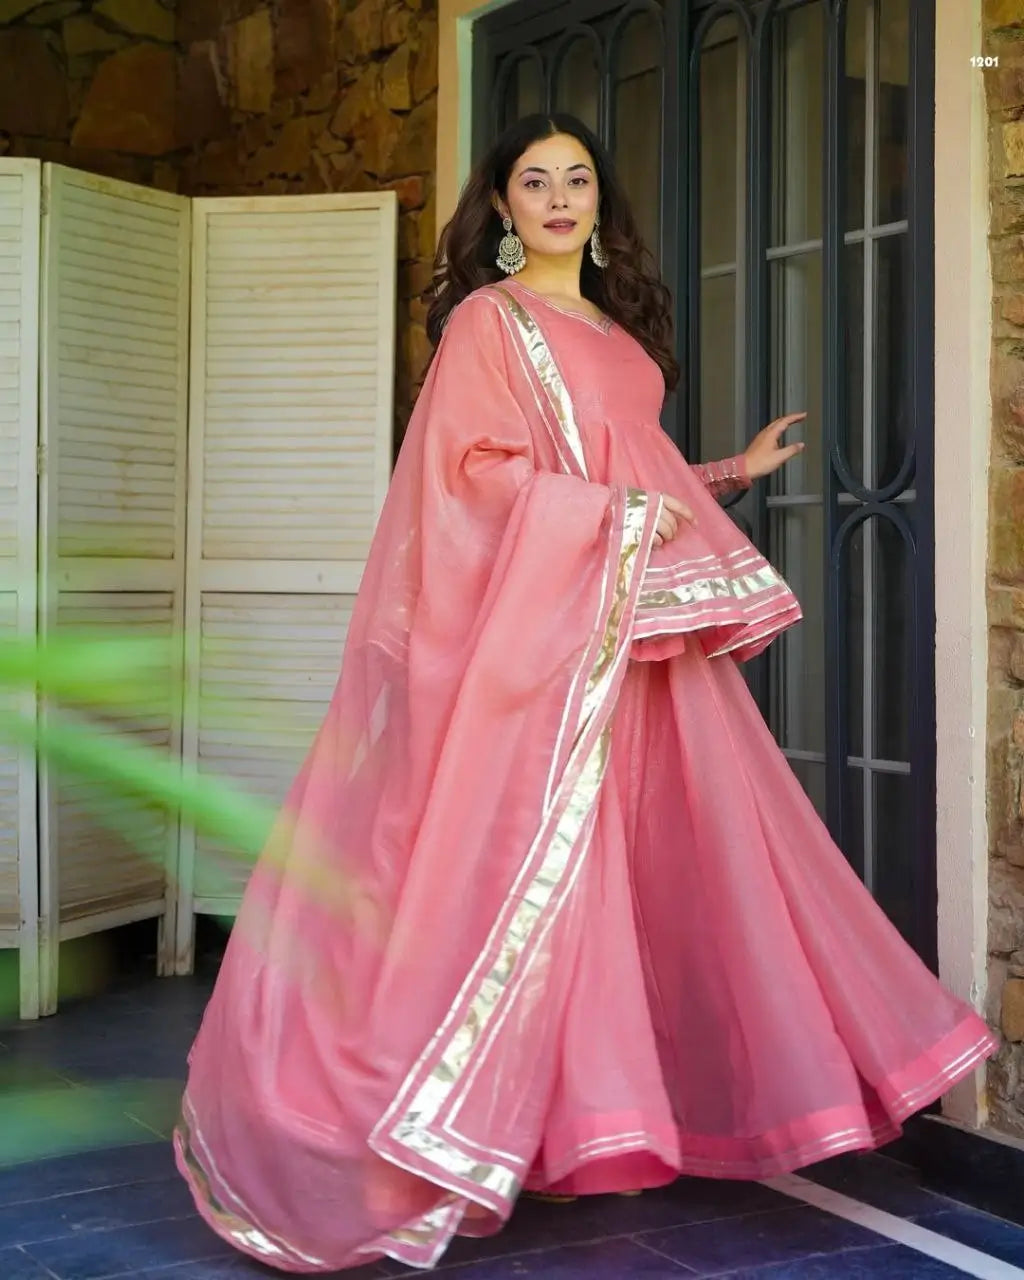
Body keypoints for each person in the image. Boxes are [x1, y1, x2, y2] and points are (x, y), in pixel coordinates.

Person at [175, 114, 997, 1274]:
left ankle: (573, 1123)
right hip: (543, 648)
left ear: (600, 202)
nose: (559, 197)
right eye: (534, 181)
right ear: (502, 206)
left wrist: (729, 471)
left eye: (577, 179)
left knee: (616, 883)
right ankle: (398, 1130)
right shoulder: (490, 320)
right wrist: (611, 520)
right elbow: (471, 476)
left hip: (626, 647)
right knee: (507, 874)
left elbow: (625, 466)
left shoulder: (615, 328)